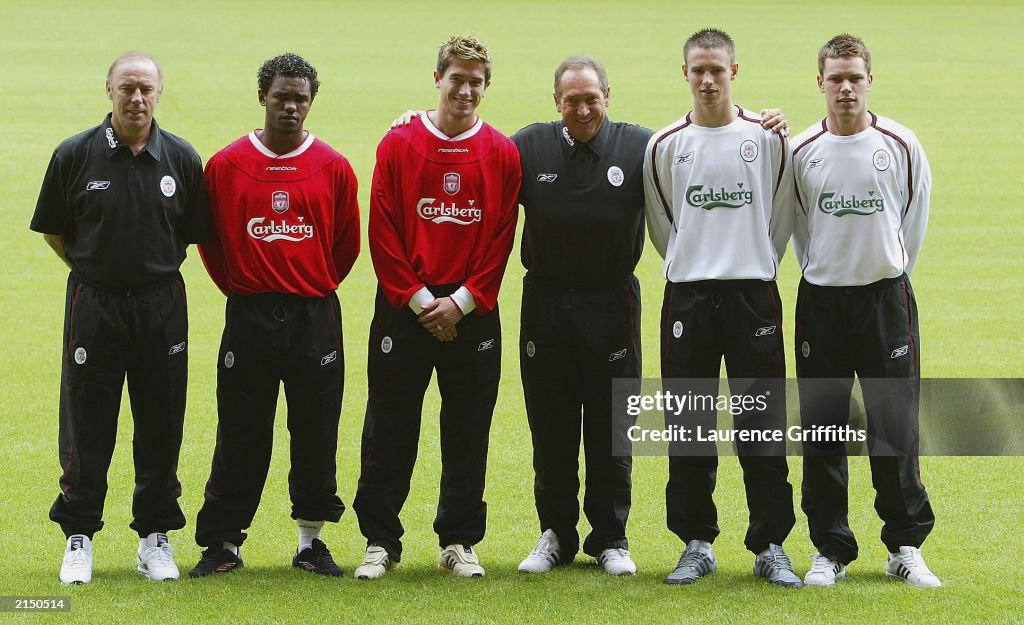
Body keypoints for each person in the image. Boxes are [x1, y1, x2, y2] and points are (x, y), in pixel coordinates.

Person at [30, 51, 210, 584]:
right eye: (126, 87)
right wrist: (94, 271)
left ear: (159, 93)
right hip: (96, 305)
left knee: (161, 420)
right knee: (87, 421)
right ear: (108, 89)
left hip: (161, 306)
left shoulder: (180, 158)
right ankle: (79, 536)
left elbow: (192, 234)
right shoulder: (74, 155)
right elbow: (54, 230)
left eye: (146, 89)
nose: (136, 98)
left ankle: (155, 536)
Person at [352, 35, 521, 580]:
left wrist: (463, 303)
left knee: (468, 427)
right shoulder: (399, 143)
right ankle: (381, 539)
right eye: (457, 79)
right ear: (437, 80)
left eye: (476, 81)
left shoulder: (502, 152)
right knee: (390, 424)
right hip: (407, 306)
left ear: (487, 86)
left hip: (472, 311)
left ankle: (459, 539)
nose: (466, 90)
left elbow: (500, 239)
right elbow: (383, 231)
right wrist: (426, 302)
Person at [188, 53, 360, 579]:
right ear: (262, 95)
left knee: (315, 429)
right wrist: (246, 288)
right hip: (250, 316)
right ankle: (223, 542)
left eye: (300, 98)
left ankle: (311, 541)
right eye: (281, 95)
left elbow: (346, 245)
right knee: (241, 431)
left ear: (312, 102)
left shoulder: (333, 166)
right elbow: (212, 245)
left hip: (314, 316)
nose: (291, 106)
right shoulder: (226, 165)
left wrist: (306, 284)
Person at [643, 28, 801, 587]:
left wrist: (751, 261)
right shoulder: (663, 145)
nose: (707, 79)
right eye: (697, 70)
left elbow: (780, 218)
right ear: (684, 74)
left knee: (762, 425)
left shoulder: (769, 137)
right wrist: (696, 262)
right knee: (688, 426)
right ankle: (695, 541)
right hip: (688, 294)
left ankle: (771, 544)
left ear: (736, 71)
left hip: (752, 295)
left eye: (717, 69)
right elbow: (664, 227)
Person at [791, 33, 938, 588]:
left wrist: (887, 268)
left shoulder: (900, 143)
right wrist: (832, 271)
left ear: (869, 80)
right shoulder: (803, 150)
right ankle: (830, 548)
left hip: (885, 298)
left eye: (855, 77)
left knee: (892, 424)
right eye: (836, 78)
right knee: (823, 428)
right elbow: (801, 227)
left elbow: (913, 216)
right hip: (823, 301)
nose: (845, 88)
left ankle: (905, 545)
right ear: (821, 83)